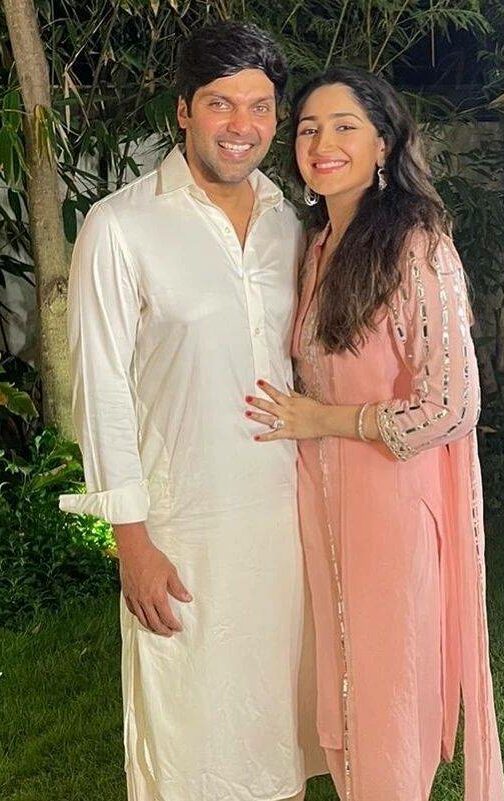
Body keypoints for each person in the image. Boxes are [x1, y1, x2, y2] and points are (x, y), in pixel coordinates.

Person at [59, 21, 324, 801]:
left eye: (259, 106)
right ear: (183, 110)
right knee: (186, 741)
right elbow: (100, 388)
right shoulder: (120, 227)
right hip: (185, 530)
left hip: (286, 525)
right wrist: (132, 541)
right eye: (220, 104)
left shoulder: (290, 223)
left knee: (279, 733)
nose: (241, 126)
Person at [243, 67, 504, 801]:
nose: (321, 143)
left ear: (383, 143)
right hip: (325, 504)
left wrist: (325, 420)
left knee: (389, 693)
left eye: (344, 126)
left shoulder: (416, 246)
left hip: (391, 507)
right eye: (308, 129)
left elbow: (451, 404)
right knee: (345, 689)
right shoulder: (320, 244)